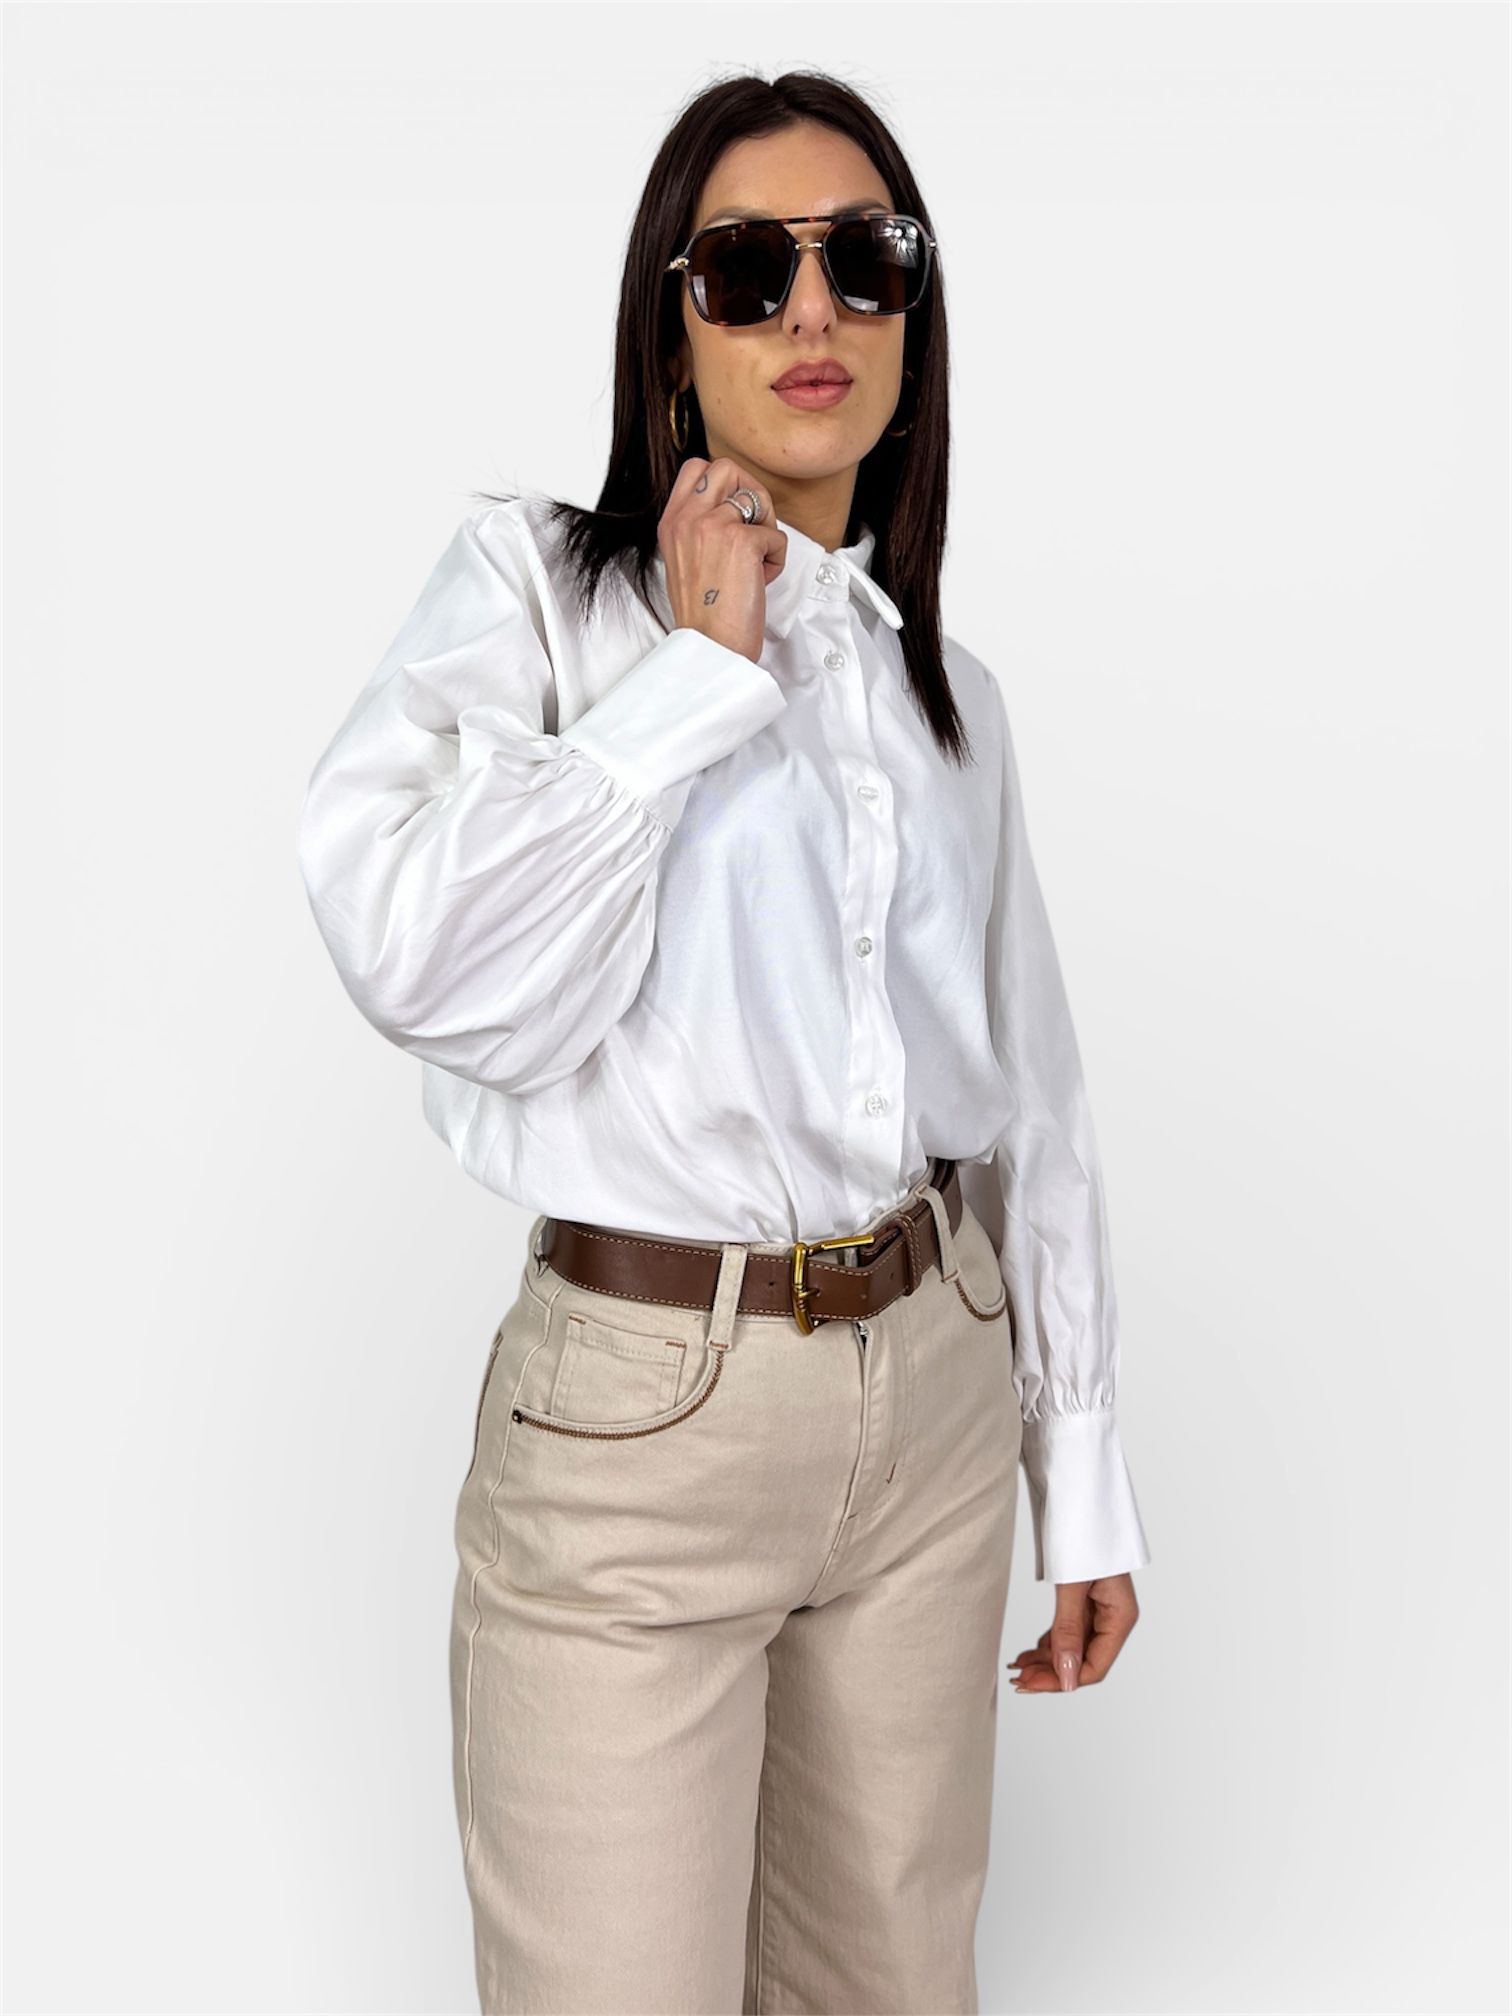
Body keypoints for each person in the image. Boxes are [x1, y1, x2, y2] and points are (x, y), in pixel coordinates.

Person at [297, 67, 1151, 2016]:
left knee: (890, 1988)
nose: (814, 312)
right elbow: (421, 959)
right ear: (671, 328)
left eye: (868, 262)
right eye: (750, 270)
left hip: (934, 1402)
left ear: (917, 322)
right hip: (641, 1426)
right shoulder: (540, 600)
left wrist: (1081, 1466)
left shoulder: (952, 697)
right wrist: (693, 680)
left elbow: (1035, 1093)